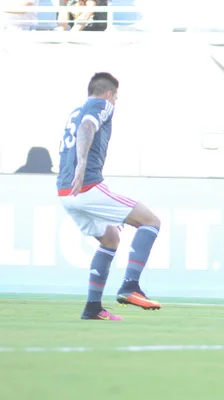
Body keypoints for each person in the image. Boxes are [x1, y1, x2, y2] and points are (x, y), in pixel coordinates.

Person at [57, 72, 161, 321]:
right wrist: (82, 163)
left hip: (65, 192)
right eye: (116, 97)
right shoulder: (101, 104)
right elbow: (87, 127)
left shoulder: (76, 110)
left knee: (111, 238)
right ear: (109, 94)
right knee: (151, 221)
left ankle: (92, 308)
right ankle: (130, 286)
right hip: (86, 186)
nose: (114, 102)